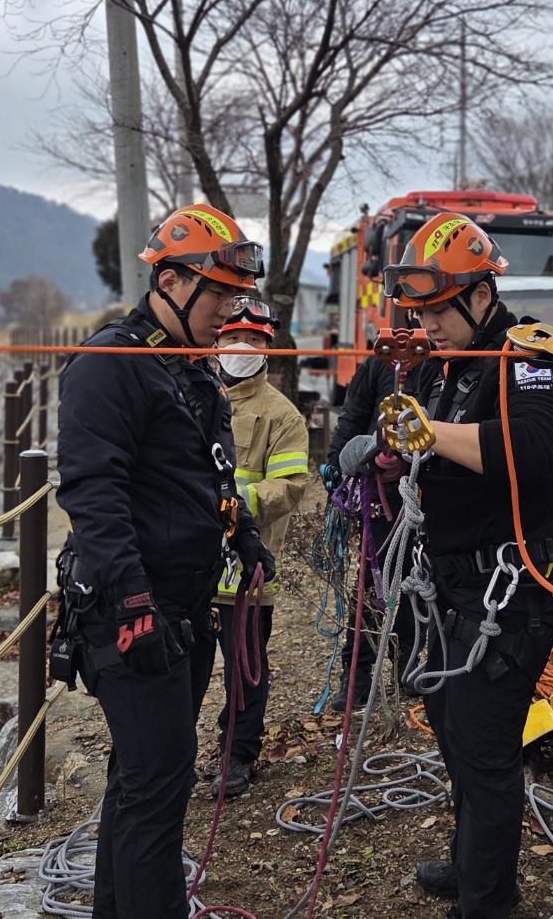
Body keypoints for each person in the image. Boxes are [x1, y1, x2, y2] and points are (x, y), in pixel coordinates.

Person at [54, 204, 276, 919]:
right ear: (174, 282)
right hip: (131, 609)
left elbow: (200, 472)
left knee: (142, 778)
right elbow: (94, 493)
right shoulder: (111, 366)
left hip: (181, 604)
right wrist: (134, 604)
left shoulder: (186, 367)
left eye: (237, 298)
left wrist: (238, 528)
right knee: (157, 789)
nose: (229, 313)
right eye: (219, 297)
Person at [383, 213, 553, 919]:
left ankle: (488, 900)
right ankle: (474, 862)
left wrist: (431, 433)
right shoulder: (443, 365)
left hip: (508, 591)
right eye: (421, 311)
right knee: (452, 730)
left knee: (488, 749)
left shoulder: (525, 359)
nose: (429, 323)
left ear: (478, 294)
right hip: (447, 586)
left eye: (439, 309)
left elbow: (538, 450)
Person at [207, 297, 310, 798]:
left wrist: (229, 501)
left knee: (245, 669)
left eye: (253, 340)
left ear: (269, 349)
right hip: (186, 567)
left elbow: (290, 487)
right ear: (215, 341)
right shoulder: (193, 396)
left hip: (244, 571)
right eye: (232, 338)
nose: (240, 348)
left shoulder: (281, 416)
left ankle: (239, 754)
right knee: (182, 669)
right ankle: (172, 754)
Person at [325, 353, 422, 711]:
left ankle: (407, 667)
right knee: (371, 583)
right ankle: (355, 676)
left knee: (417, 586)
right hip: (381, 493)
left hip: (427, 490)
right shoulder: (380, 365)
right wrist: (339, 465)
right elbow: (353, 417)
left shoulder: (443, 363)